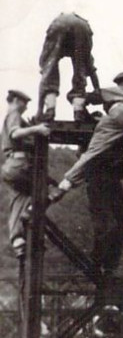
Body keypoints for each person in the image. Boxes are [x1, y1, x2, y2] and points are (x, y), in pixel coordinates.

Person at [49, 72, 123, 282]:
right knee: (113, 225)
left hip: (105, 177)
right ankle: (104, 265)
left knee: (113, 225)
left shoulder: (110, 112)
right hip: (101, 178)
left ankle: (103, 265)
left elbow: (91, 153)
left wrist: (78, 102)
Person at [1, 90, 51, 259]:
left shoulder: (12, 116)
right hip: (19, 164)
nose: (26, 106)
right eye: (24, 102)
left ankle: (17, 241)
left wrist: (30, 128)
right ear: (16, 100)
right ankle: (31, 218)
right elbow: (15, 133)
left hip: (10, 167)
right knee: (43, 191)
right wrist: (36, 129)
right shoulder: (13, 113)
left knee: (18, 198)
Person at [38, 12, 99, 122]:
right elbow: (91, 70)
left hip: (58, 24)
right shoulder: (81, 48)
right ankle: (78, 111)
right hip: (82, 26)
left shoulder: (53, 47)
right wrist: (97, 90)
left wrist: (39, 110)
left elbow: (45, 76)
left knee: (49, 70)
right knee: (81, 71)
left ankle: (50, 110)